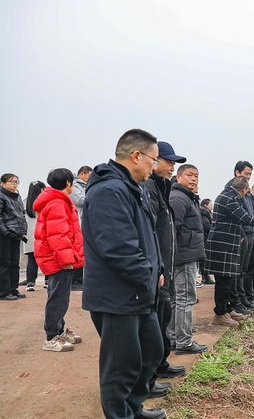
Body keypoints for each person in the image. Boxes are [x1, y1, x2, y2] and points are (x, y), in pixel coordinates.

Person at [82, 129, 167, 419]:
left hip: (139, 292)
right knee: (121, 366)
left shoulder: (133, 187)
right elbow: (119, 249)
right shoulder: (109, 191)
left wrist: (158, 270)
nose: (154, 167)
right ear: (136, 156)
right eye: (153, 160)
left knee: (151, 353)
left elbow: (147, 235)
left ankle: (134, 408)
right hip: (117, 295)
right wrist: (146, 276)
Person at [145, 141, 187, 393]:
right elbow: (148, 230)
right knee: (156, 319)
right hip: (157, 268)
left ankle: (159, 363)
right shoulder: (149, 188)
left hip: (166, 265)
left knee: (163, 317)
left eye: (173, 163)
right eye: (168, 162)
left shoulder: (162, 187)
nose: (171, 167)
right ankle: (148, 374)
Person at [205, 177, 254, 327]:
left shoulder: (230, 196)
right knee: (223, 280)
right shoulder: (229, 199)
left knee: (229, 278)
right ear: (244, 190)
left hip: (228, 242)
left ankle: (227, 309)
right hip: (222, 243)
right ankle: (220, 313)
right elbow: (245, 218)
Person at [34, 168, 85, 352]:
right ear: (67, 183)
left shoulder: (58, 201)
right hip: (58, 259)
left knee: (60, 295)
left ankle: (59, 330)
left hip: (56, 257)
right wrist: (66, 260)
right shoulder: (57, 203)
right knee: (58, 297)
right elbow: (58, 236)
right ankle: (51, 337)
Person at [169, 164, 208, 355]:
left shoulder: (187, 197)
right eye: (189, 175)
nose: (194, 179)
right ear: (178, 177)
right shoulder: (178, 198)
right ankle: (183, 341)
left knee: (178, 299)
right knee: (185, 298)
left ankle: (174, 338)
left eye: (196, 176)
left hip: (186, 253)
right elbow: (171, 230)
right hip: (184, 255)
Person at [226, 161, 254, 314]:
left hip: (249, 232)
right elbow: (237, 216)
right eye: (246, 173)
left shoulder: (247, 192)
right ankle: (235, 300)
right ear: (237, 173)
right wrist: (240, 234)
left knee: (244, 269)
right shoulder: (231, 190)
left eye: (250, 173)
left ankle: (242, 297)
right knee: (237, 270)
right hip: (241, 233)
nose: (249, 176)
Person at [0, 173, 27, 301]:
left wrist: (23, 230)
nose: (15, 183)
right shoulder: (1, 196)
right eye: (11, 181)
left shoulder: (17, 196)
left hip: (17, 234)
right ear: (3, 183)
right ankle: (4, 291)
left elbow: (22, 214)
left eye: (16, 181)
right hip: (5, 235)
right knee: (5, 263)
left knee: (15, 263)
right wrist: (5, 231)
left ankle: (13, 289)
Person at [69, 165, 92, 290]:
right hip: (77, 222)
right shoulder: (75, 186)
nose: (90, 178)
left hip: (83, 222)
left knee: (81, 251)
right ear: (81, 174)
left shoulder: (85, 186)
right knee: (76, 251)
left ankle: (79, 279)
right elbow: (80, 200)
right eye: (89, 175)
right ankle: (74, 280)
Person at [20, 181, 46, 292]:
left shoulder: (24, 202)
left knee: (31, 258)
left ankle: (30, 282)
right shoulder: (44, 202)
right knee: (46, 258)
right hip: (43, 233)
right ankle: (47, 281)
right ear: (41, 190)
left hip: (29, 235)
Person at [199, 198, 214, 285]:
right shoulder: (205, 213)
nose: (212, 206)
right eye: (210, 204)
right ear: (206, 205)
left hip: (204, 238)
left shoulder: (206, 213)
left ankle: (206, 276)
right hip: (205, 238)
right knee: (204, 259)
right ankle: (205, 277)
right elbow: (206, 226)